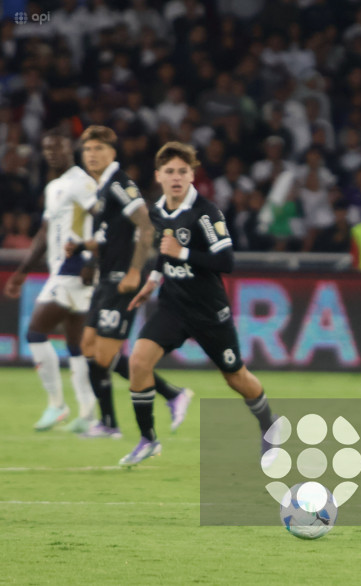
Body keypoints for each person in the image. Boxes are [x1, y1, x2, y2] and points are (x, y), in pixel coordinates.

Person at [120, 142, 276, 466]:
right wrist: (151, 282)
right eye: (170, 172)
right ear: (159, 176)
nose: (176, 178)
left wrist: (184, 253)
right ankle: (148, 439)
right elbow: (164, 252)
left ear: (192, 175)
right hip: (173, 307)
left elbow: (226, 261)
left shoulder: (206, 213)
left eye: (182, 171)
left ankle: (269, 426)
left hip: (208, 312)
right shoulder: (157, 211)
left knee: (235, 377)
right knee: (138, 362)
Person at [66, 126, 191, 439]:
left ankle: (172, 395)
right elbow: (111, 236)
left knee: (104, 356)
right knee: (89, 349)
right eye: (87, 149)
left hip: (122, 280)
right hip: (105, 279)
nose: (91, 155)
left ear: (112, 153)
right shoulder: (103, 187)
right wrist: (83, 248)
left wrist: (136, 272)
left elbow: (146, 227)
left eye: (98, 149)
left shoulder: (120, 183)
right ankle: (109, 423)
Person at [3, 130, 97, 433]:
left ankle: (57, 405)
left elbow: (102, 218)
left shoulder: (82, 182)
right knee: (75, 344)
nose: (52, 152)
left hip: (75, 267)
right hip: (65, 270)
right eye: (47, 147)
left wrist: (92, 260)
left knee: (35, 332)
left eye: (59, 146)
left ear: (72, 149)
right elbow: (44, 233)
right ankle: (87, 412)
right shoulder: (55, 186)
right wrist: (22, 271)